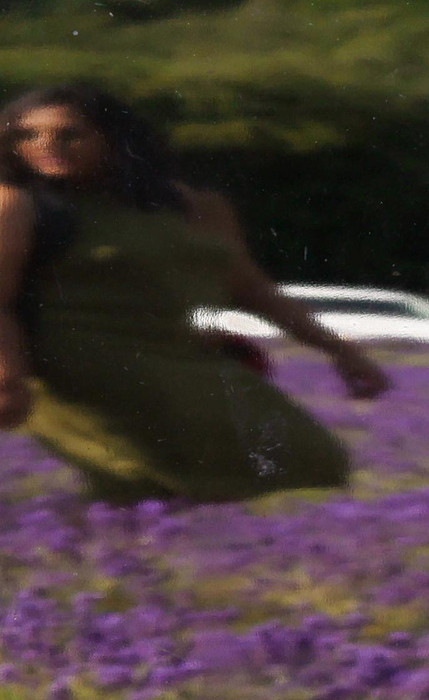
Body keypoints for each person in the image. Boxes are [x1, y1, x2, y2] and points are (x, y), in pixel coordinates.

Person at [0, 83, 388, 502]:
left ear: (114, 138)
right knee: (149, 482)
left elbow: (250, 287)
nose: (46, 146)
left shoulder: (192, 205)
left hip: (186, 358)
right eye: (26, 135)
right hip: (85, 367)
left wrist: (339, 350)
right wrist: (7, 378)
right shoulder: (17, 204)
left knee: (314, 458)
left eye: (70, 134)